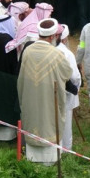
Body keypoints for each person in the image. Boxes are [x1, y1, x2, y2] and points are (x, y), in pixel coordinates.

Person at [17, 18, 71, 166]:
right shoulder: (56, 54)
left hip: (30, 97)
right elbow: (67, 72)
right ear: (53, 36)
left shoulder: (27, 51)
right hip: (49, 98)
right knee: (49, 123)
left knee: (33, 119)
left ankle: (32, 159)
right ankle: (49, 161)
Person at [56, 24, 81, 149]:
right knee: (65, 122)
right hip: (66, 92)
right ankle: (65, 149)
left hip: (51, 91)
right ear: (65, 39)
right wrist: (76, 87)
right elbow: (74, 76)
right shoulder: (67, 53)